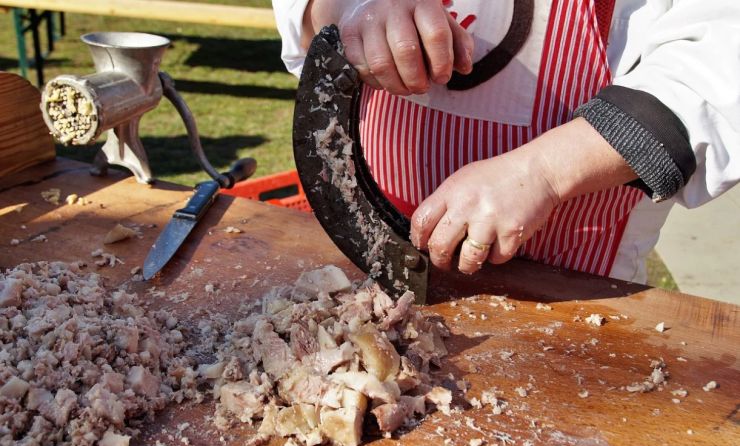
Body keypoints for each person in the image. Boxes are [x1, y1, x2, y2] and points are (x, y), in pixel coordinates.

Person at [272, 0, 740, 282]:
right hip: (362, 255)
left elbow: (720, 58)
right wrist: (351, 9)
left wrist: (544, 170)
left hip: (572, 278)